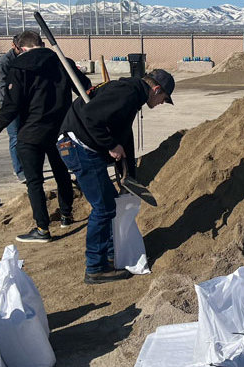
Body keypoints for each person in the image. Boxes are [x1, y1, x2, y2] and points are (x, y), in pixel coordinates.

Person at [58, 69, 174, 284]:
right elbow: (90, 116)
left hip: (80, 145)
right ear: (156, 89)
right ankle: (95, 267)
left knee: (109, 203)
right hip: (76, 146)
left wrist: (129, 173)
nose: (161, 103)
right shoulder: (127, 93)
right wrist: (110, 144)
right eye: (163, 99)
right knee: (103, 208)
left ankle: (113, 253)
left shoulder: (131, 93)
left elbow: (124, 135)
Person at [0, 31, 91, 243]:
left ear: (22, 48)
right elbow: (84, 88)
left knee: (34, 181)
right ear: (42, 44)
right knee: (61, 171)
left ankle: (42, 228)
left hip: (32, 131)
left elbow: (12, 104)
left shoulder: (19, 67)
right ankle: (66, 214)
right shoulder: (62, 61)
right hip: (60, 128)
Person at [0, 35, 25, 183]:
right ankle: (19, 170)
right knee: (15, 138)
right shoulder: (3, 63)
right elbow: (4, 89)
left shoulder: (26, 58)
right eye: (21, 48)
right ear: (14, 46)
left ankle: (27, 165)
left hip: (25, 104)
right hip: (11, 105)